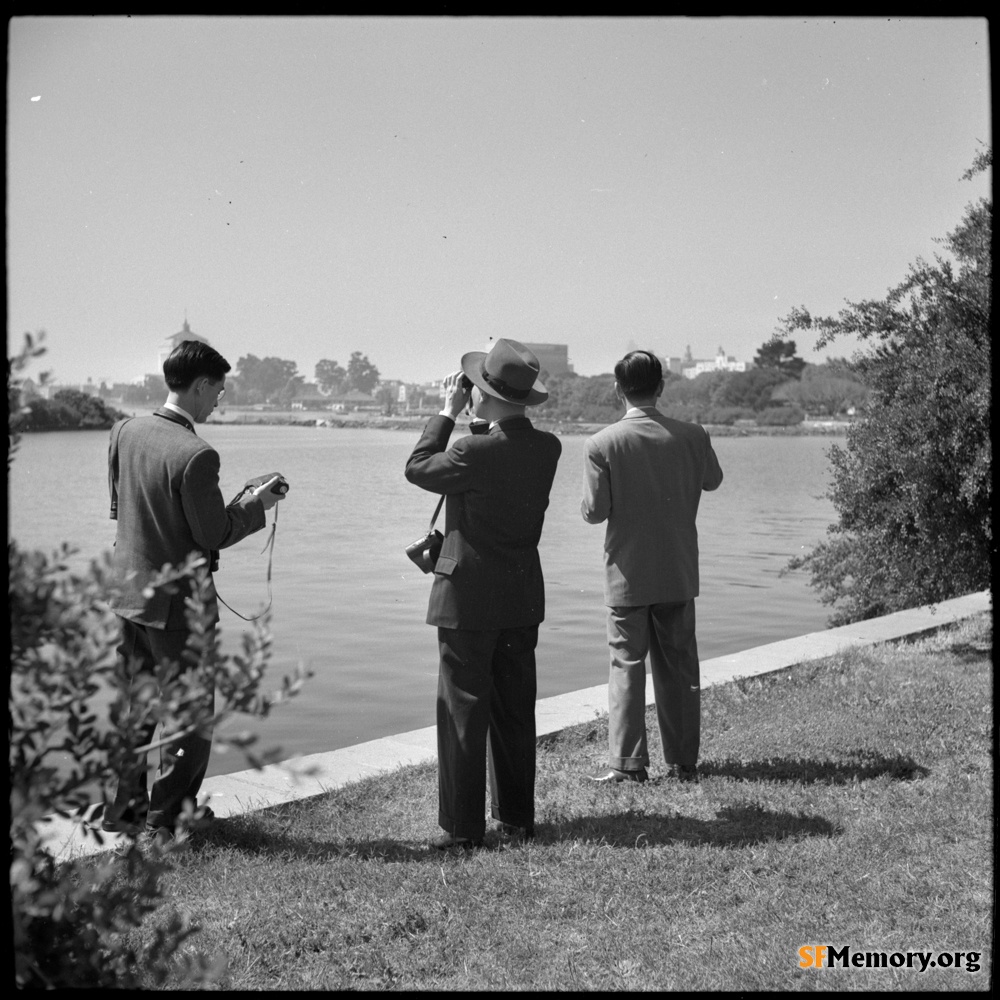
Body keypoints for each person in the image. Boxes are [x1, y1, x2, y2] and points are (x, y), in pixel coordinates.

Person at [103, 340, 286, 840]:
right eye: (219, 390)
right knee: (189, 717)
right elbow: (213, 534)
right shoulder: (198, 454)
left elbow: (122, 511)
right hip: (179, 608)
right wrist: (257, 505)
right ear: (202, 385)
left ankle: (124, 814)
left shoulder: (124, 430)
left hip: (127, 595)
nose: (219, 401)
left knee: (134, 709)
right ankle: (169, 820)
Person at [405, 338, 562, 849]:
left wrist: (445, 413)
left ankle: (463, 827)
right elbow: (502, 453)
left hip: (467, 600)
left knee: (462, 711)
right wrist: (476, 423)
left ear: (479, 391)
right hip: (520, 597)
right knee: (515, 709)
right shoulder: (547, 448)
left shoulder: (470, 450)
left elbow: (419, 467)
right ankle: (516, 818)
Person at [581, 350, 723, 784]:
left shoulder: (602, 443)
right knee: (680, 666)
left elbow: (594, 512)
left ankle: (627, 764)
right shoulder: (694, 435)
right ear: (661, 387)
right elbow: (713, 481)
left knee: (626, 664)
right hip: (678, 569)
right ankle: (682, 762)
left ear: (617, 390)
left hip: (627, 574)